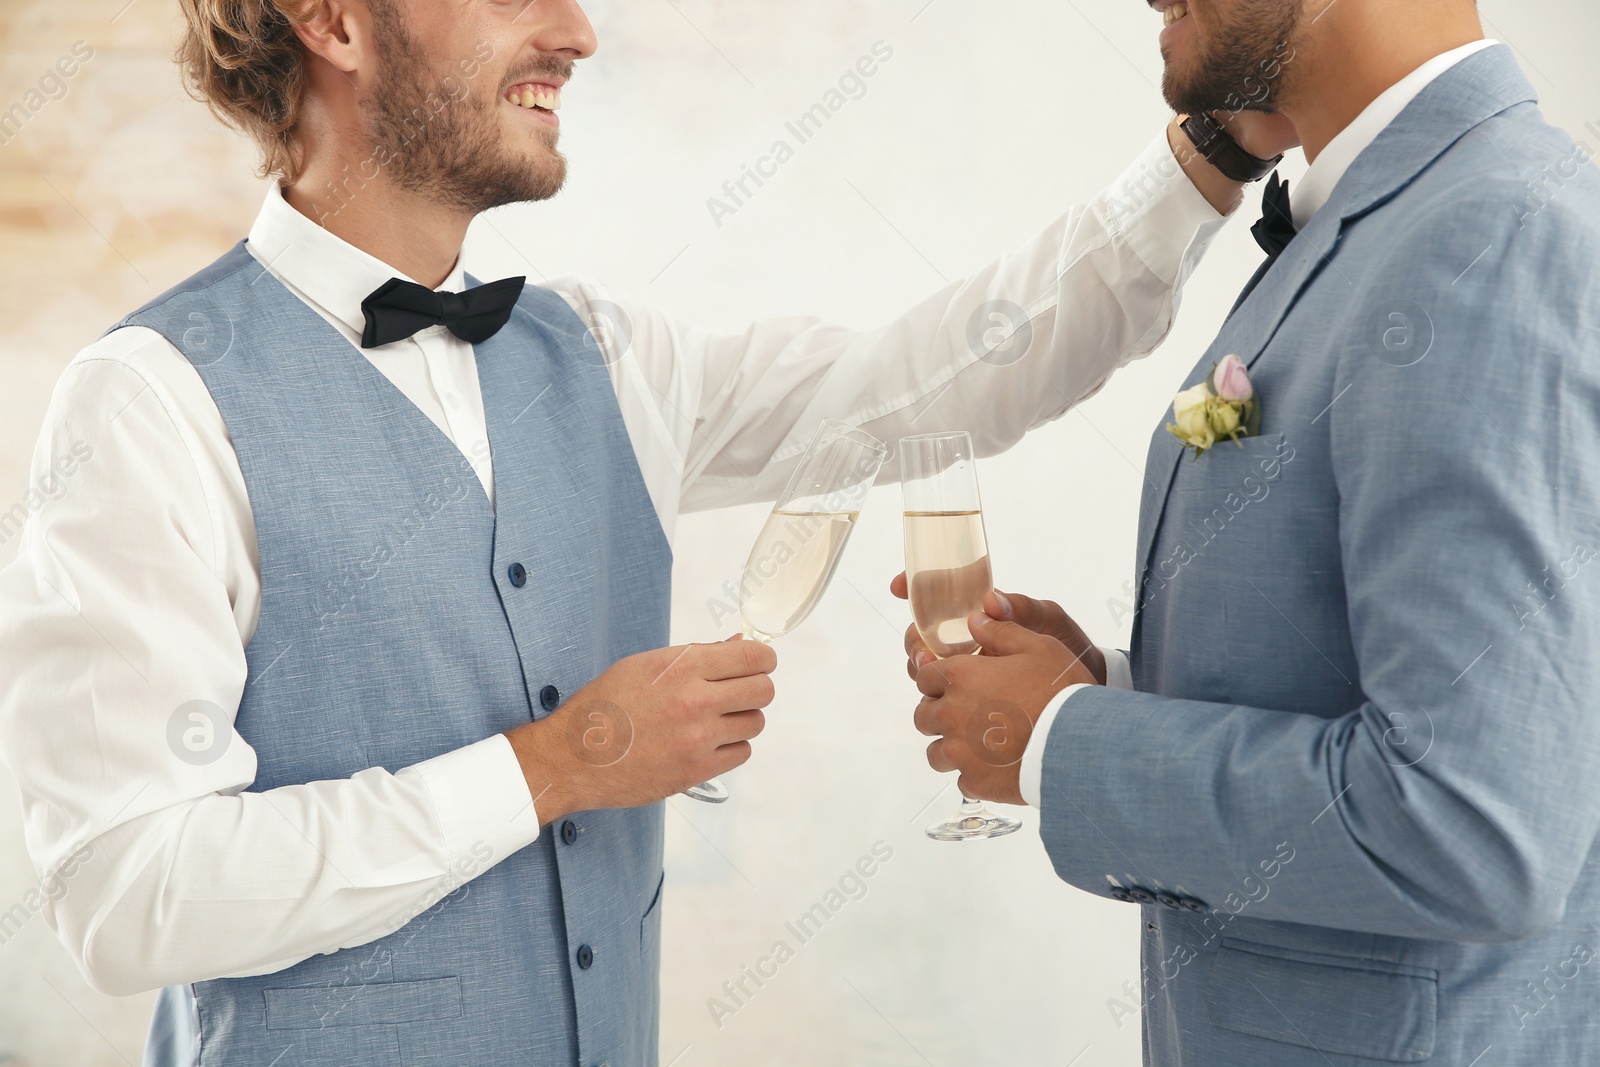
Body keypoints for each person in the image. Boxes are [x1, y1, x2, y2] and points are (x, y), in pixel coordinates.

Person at [0, 1, 1295, 1065]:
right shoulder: (151, 403)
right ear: (332, 19)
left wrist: (1209, 161)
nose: (577, 31)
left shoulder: (608, 355)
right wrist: (560, 761)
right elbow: (127, 891)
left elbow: (944, 376)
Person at [908, 0, 1600, 1063]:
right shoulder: (1384, 213)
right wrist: (1110, 691)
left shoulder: (1487, 231)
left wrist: (1062, 741)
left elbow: (1472, 826)